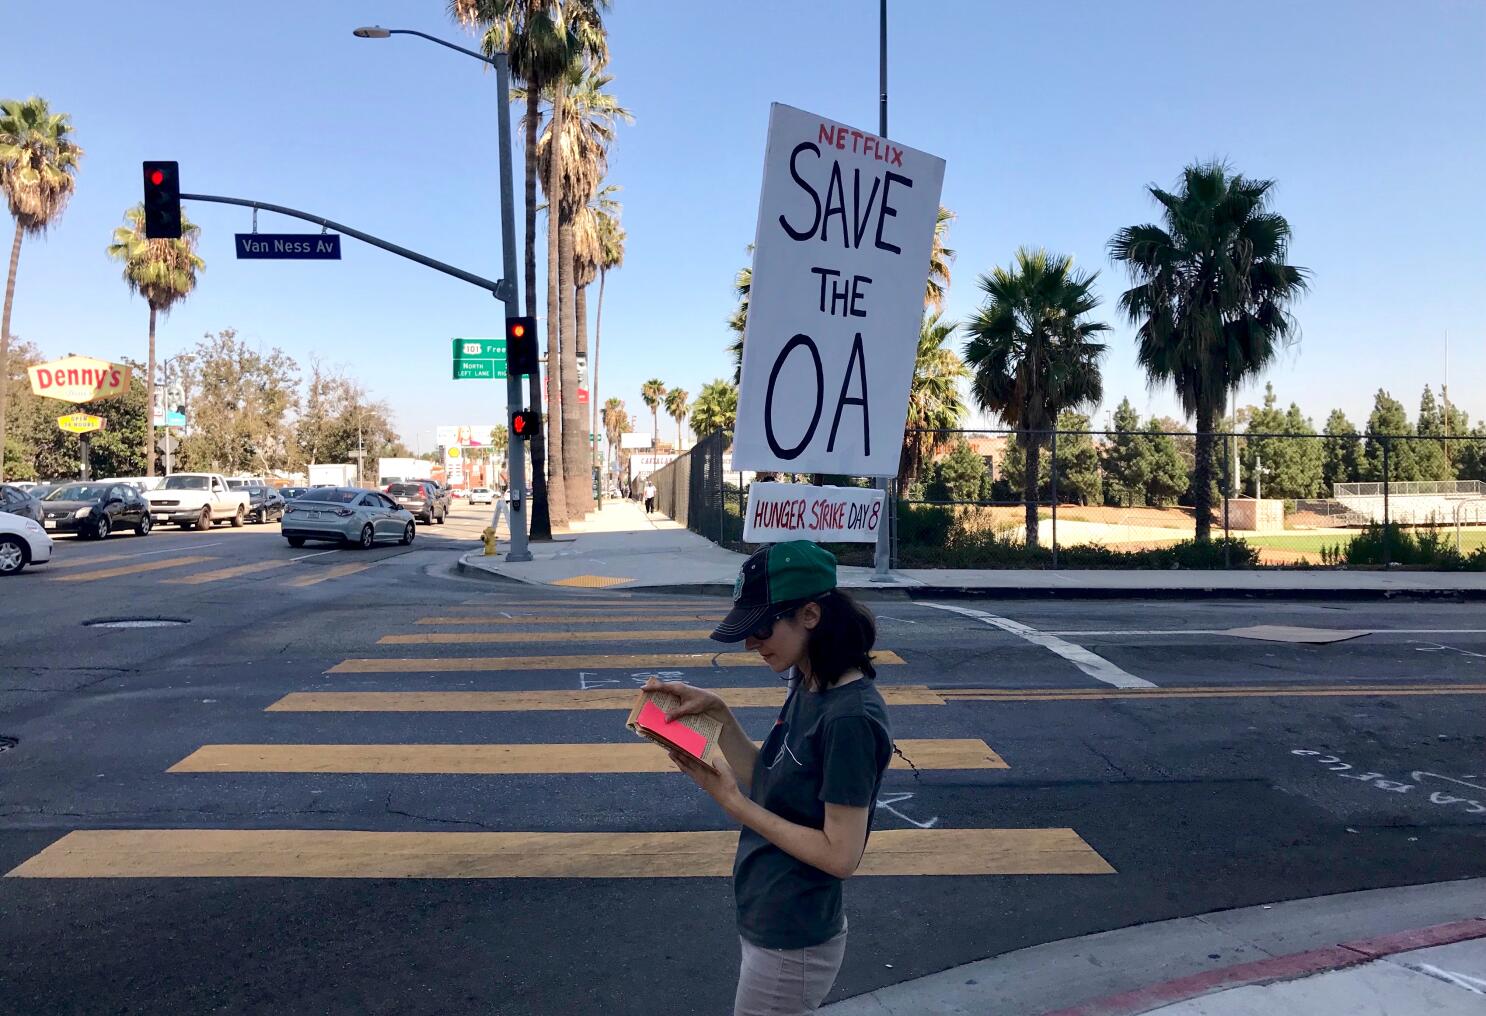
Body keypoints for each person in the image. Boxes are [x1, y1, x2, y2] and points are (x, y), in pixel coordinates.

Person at [646, 541, 892, 1016]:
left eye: (761, 628)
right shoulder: (810, 681)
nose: (751, 644)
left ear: (811, 615)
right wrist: (718, 717)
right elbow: (773, 780)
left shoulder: (849, 718)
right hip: (774, 918)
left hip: (793, 939)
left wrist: (735, 805)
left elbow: (841, 856)